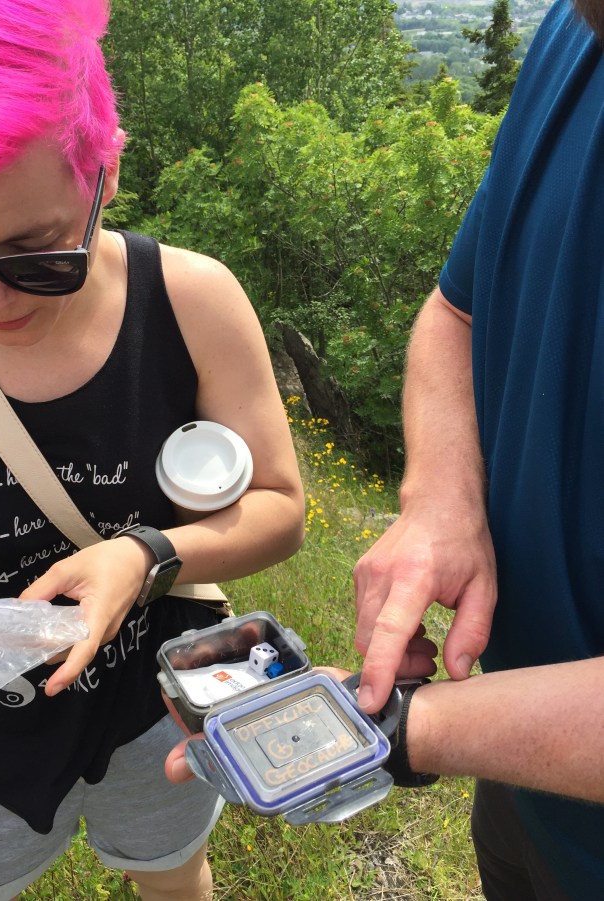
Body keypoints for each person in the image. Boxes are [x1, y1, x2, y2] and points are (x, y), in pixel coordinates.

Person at [0, 2, 304, 900]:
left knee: (171, 870)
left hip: (154, 698)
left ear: (107, 173)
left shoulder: (192, 302)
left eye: (35, 256)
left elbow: (281, 507)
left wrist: (146, 555)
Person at [351, 0, 604, 898]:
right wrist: (440, 499)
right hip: (525, 782)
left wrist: (400, 727)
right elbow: (456, 310)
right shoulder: (576, 32)